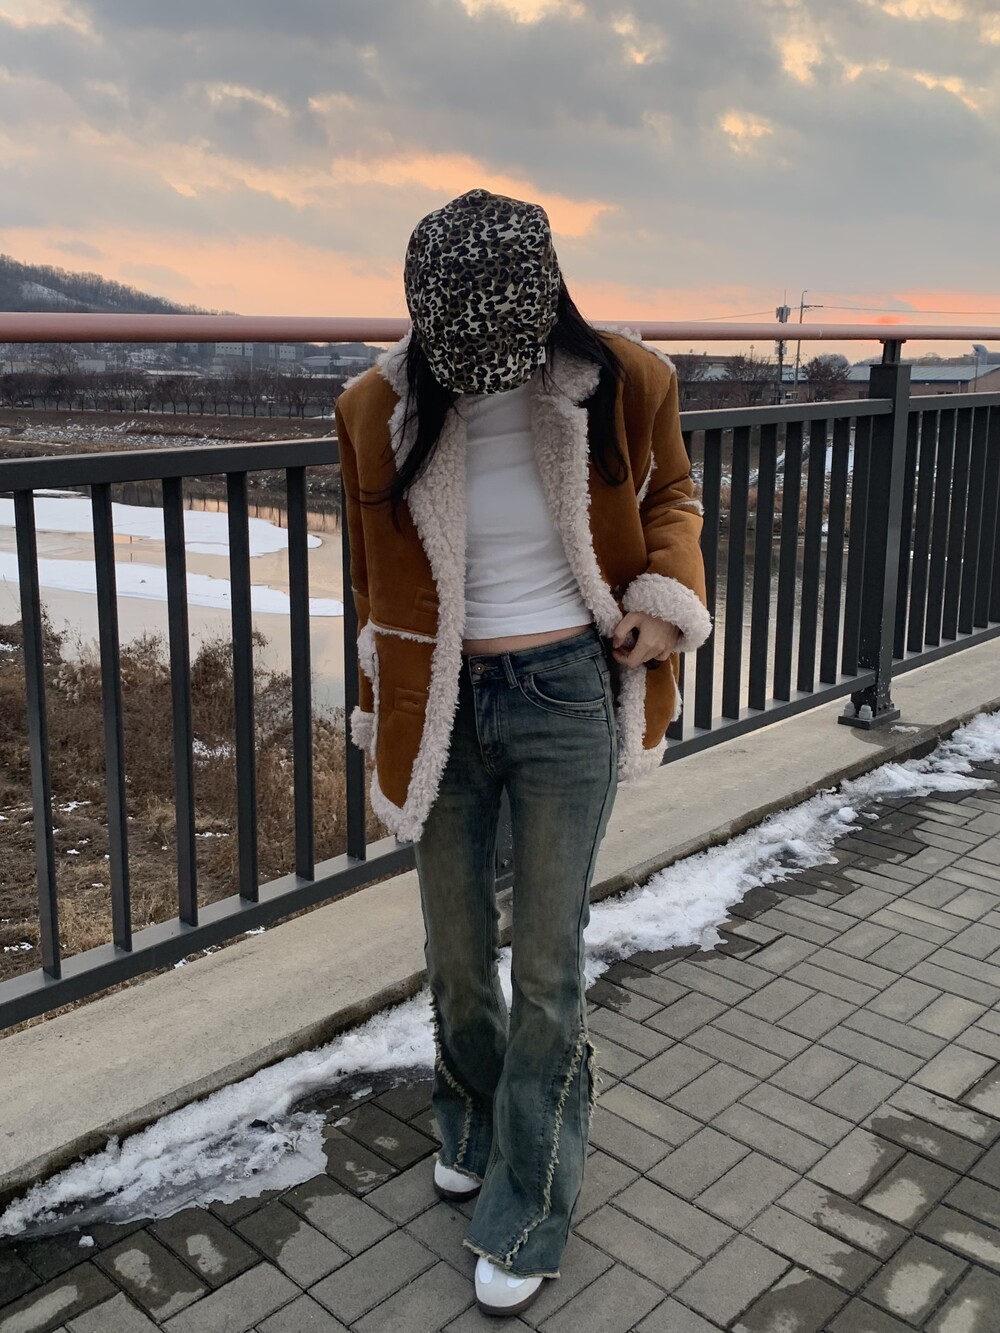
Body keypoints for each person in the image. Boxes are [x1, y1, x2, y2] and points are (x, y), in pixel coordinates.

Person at [335, 187, 709, 1316]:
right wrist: (380, 703)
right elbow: (372, 580)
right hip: (444, 704)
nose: (482, 372)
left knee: (547, 966)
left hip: (564, 694)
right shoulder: (378, 407)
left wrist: (665, 602)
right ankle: (473, 1118)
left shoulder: (626, 380)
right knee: (456, 951)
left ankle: (532, 1194)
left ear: (545, 303)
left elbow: (674, 494)